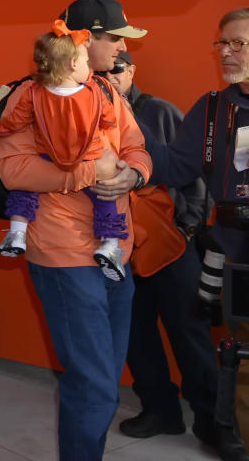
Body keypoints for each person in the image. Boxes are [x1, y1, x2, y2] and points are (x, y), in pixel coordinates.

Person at [0, 0, 151, 461]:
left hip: (115, 250)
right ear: (86, 40)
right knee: (94, 381)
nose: (124, 48)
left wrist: (134, 174)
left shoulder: (105, 91)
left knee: (102, 375)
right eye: (116, 38)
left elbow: (136, 145)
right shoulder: (31, 95)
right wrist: (92, 173)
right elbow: (14, 170)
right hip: (64, 254)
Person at [101, 52, 227, 454]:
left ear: (131, 71)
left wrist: (186, 228)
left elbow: (197, 175)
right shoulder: (91, 117)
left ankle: (212, 419)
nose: (109, 77)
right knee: (136, 335)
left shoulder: (160, 112)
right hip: (121, 251)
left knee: (191, 335)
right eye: (102, 71)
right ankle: (161, 411)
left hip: (173, 248)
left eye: (116, 70)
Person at [140, 7, 249, 461]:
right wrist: (127, 160)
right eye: (221, 43)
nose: (225, 52)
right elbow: (176, 166)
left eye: (237, 43)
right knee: (240, 362)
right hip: (233, 258)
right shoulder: (211, 109)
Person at [0, 20, 127, 279]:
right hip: (89, 159)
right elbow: (109, 119)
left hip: (50, 157)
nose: (89, 67)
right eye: (86, 61)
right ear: (73, 64)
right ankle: (109, 244)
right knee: (106, 197)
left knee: (26, 189)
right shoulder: (94, 92)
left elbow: (15, 121)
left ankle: (17, 231)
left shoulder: (33, 93)